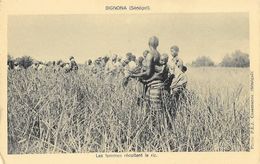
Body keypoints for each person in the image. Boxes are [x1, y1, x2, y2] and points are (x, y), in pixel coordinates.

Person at [130, 36, 168, 132]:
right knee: (152, 111)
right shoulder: (158, 54)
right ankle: (153, 131)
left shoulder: (150, 55)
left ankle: (161, 132)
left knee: (156, 112)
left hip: (154, 86)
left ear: (148, 43)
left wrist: (134, 75)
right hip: (155, 85)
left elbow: (148, 73)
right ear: (157, 44)